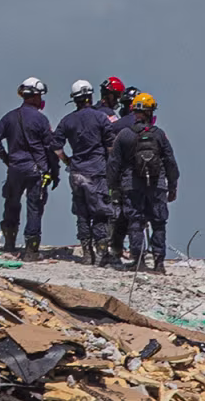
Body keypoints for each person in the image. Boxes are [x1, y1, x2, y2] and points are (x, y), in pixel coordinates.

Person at [0, 77, 59, 262]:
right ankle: (31, 251)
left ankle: (9, 245)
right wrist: (54, 172)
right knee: (34, 208)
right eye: (40, 96)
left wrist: (6, 158)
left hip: (15, 169)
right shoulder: (41, 119)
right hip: (36, 171)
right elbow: (51, 148)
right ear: (34, 96)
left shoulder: (10, 117)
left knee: (11, 204)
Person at [107, 92, 179, 273]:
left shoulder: (124, 135)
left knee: (135, 223)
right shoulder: (160, 135)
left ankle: (138, 261)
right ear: (151, 112)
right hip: (157, 186)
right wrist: (172, 186)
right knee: (159, 223)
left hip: (132, 185)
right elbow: (170, 162)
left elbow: (113, 163)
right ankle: (159, 263)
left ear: (134, 112)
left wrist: (113, 187)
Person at [53, 80, 114, 265]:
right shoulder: (100, 118)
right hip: (97, 172)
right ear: (90, 97)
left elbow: (56, 146)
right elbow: (111, 146)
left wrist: (67, 161)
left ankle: (87, 254)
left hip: (77, 173)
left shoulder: (67, 121)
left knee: (82, 214)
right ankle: (102, 254)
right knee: (100, 213)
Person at [107, 85, 143, 261]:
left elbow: (111, 156)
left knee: (118, 214)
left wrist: (111, 180)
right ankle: (138, 253)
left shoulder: (117, 126)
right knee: (138, 217)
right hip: (143, 178)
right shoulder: (150, 128)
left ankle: (116, 249)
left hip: (122, 177)